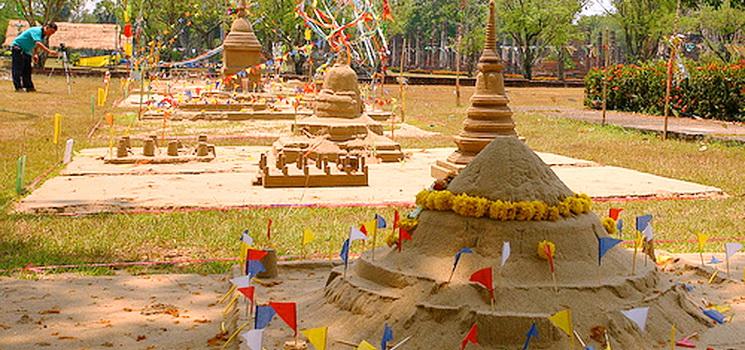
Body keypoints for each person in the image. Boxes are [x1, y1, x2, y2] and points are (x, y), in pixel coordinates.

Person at [10, 23, 59, 92]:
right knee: (18, 69)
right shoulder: (37, 31)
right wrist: (49, 51)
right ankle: (18, 87)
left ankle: (29, 87)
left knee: (27, 69)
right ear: (47, 27)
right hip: (18, 47)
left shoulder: (43, 35)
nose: (51, 34)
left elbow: (35, 44)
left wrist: (35, 54)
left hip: (26, 51)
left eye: (53, 33)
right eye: (51, 32)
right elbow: (37, 43)